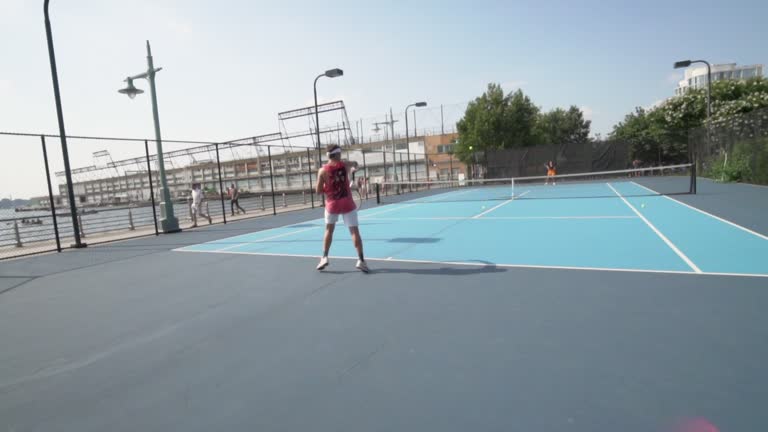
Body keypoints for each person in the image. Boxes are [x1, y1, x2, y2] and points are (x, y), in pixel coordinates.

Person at [315, 144, 369, 273]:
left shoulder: (322, 171)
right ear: (338, 154)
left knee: (329, 230)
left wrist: (328, 189)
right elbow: (356, 163)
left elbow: (318, 191)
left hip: (332, 204)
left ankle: (324, 257)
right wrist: (354, 168)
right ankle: (361, 260)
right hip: (347, 203)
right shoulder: (345, 165)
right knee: (354, 231)